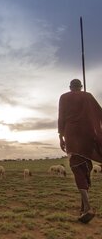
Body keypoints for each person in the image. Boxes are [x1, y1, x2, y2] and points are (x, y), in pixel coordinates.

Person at [58, 78, 102, 223]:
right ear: (81, 87)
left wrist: (61, 137)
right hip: (87, 135)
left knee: (77, 168)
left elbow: (61, 118)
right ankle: (83, 206)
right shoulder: (88, 96)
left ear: (70, 87)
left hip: (72, 134)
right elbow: (99, 113)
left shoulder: (64, 97)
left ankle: (87, 207)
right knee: (85, 166)